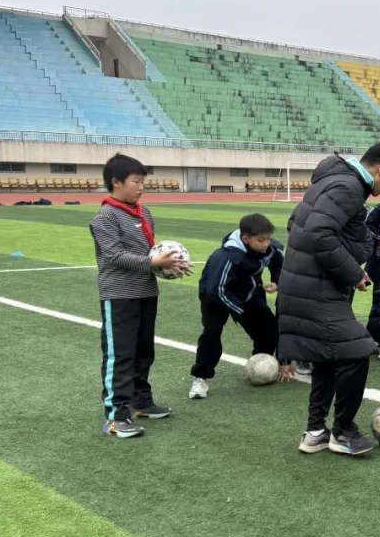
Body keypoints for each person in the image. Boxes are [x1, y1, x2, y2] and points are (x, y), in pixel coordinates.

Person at [278, 143, 380, 457]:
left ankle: (315, 433)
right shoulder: (347, 187)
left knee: (327, 355)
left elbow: (296, 224)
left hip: (307, 284)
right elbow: (317, 233)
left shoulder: (332, 181)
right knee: (358, 349)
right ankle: (343, 432)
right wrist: (353, 272)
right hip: (315, 289)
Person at [90, 153, 189, 438]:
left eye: (143, 181)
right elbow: (115, 256)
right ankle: (116, 416)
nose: (141, 187)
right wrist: (154, 262)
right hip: (119, 295)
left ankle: (141, 401)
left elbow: (150, 253)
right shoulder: (104, 218)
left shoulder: (144, 213)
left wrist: (170, 265)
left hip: (146, 291)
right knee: (120, 355)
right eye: (136, 181)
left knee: (144, 351)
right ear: (116, 182)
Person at [190, 213, 288, 399]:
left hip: (247, 292)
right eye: (261, 240)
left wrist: (276, 281)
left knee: (268, 328)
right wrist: (241, 311)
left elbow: (278, 263)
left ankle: (261, 365)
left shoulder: (270, 248)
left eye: (268, 238)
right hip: (214, 295)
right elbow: (217, 290)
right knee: (211, 334)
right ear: (245, 239)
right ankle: (200, 378)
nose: (266, 243)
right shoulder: (227, 256)